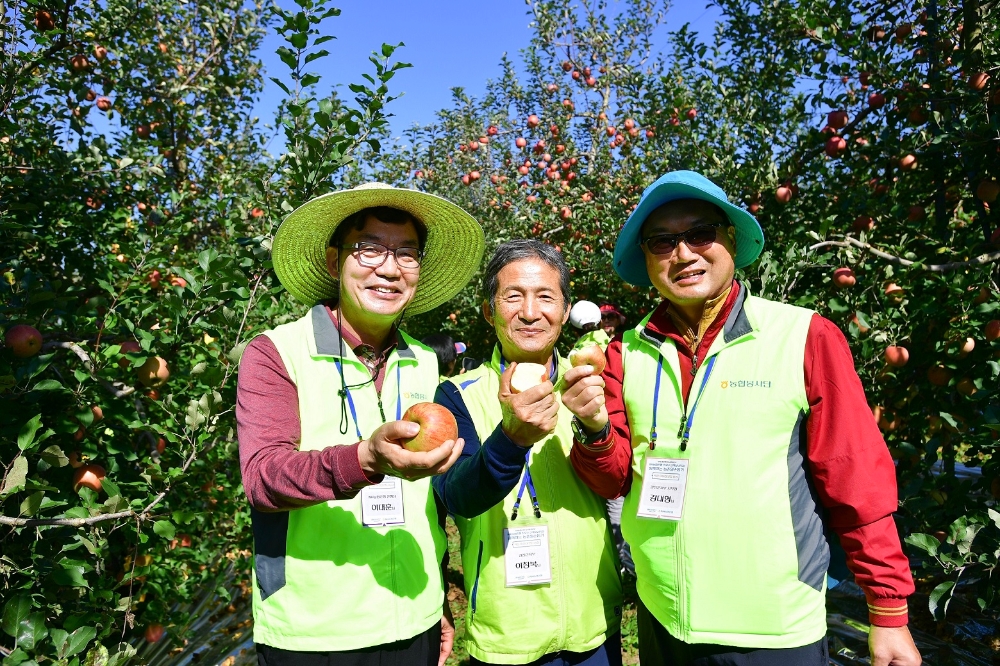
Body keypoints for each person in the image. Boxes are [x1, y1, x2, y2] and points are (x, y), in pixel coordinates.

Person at [564, 171, 921, 666]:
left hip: (772, 628)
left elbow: (854, 476)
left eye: (701, 233)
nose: (684, 253)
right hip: (664, 616)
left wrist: (888, 610)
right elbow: (615, 478)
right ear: (647, 261)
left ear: (730, 239)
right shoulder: (627, 351)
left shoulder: (804, 336)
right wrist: (593, 428)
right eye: (662, 241)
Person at [237, 183, 484, 666]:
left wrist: (437, 596)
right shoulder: (276, 353)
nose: (389, 268)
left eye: (407, 254)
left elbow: (426, 505)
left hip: (415, 617)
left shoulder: (423, 364)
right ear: (334, 263)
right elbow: (263, 478)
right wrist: (365, 459)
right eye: (369, 249)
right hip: (315, 631)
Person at [432, 239, 623, 666]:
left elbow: (618, 477)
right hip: (508, 633)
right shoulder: (458, 395)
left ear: (565, 309)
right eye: (513, 296)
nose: (531, 312)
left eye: (545, 297)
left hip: (595, 621)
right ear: (488, 310)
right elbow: (457, 494)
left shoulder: (592, 384)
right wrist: (510, 439)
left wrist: (596, 427)